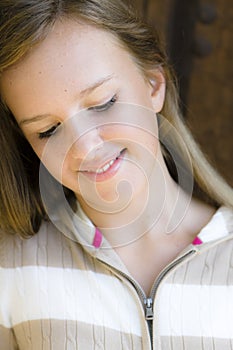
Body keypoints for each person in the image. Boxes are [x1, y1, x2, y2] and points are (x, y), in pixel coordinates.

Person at [0, 0, 232, 349]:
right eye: (48, 130)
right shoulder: (9, 267)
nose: (85, 146)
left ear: (154, 85)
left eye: (103, 103)